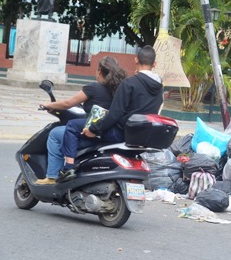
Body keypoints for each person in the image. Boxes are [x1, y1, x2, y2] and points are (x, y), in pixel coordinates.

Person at [59, 45, 164, 181]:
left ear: (136, 60)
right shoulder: (159, 88)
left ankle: (68, 169)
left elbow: (114, 114)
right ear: (154, 64)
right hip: (142, 137)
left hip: (120, 133)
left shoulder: (129, 83)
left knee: (73, 126)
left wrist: (93, 129)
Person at [35, 56, 126, 185]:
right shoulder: (119, 89)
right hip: (110, 133)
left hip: (92, 132)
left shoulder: (93, 88)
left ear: (99, 70)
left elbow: (68, 103)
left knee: (55, 134)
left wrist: (48, 105)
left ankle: (53, 176)